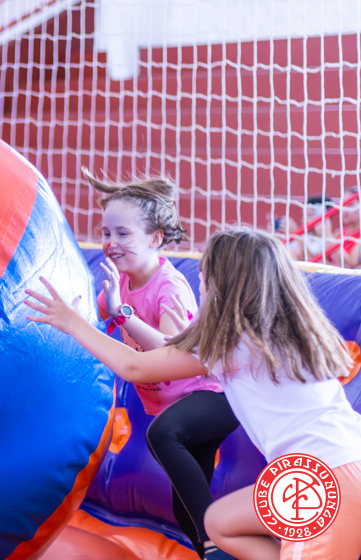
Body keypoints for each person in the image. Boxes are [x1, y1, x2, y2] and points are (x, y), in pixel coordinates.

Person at [25, 228, 361, 560]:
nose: (199, 284)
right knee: (219, 523)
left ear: (220, 285)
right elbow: (177, 352)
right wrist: (140, 321)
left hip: (320, 479)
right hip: (345, 461)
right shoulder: (285, 331)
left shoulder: (234, 341)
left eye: (203, 277)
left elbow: (136, 367)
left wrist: (73, 322)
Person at [82, 168, 238, 560]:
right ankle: (213, 550)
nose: (111, 243)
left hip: (211, 396)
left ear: (154, 238)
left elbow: (173, 352)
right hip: (176, 407)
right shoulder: (120, 283)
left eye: (123, 234)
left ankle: (214, 542)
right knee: (184, 510)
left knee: (163, 434)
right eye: (106, 233)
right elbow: (93, 318)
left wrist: (124, 314)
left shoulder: (169, 287)